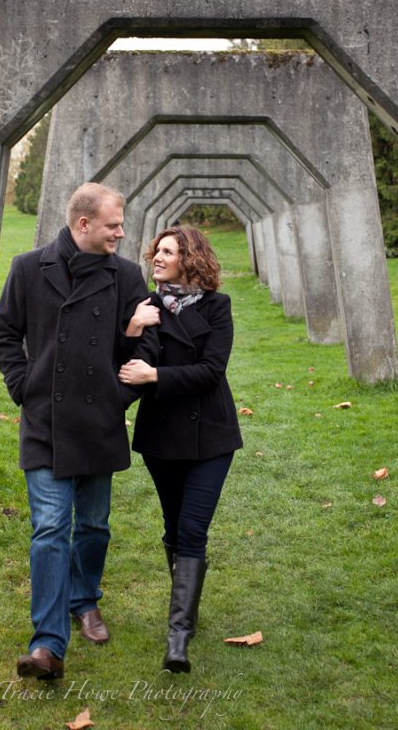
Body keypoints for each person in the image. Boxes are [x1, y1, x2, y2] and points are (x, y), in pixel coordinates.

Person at [0, 182, 158, 679]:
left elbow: (148, 347)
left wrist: (117, 395)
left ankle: (85, 600)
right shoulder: (28, 269)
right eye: (113, 225)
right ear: (83, 224)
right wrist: (25, 387)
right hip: (44, 421)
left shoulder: (126, 276)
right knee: (48, 530)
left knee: (93, 525)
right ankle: (46, 644)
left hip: (99, 421)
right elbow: (4, 334)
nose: (121, 233)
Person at [118, 226, 243, 673]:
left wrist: (158, 377)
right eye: (157, 251)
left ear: (190, 260)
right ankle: (185, 609)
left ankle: (178, 638)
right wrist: (136, 327)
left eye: (168, 252)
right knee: (173, 527)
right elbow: (131, 362)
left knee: (193, 530)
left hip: (210, 436)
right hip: (162, 438)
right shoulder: (148, 307)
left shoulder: (217, 306)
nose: (157, 257)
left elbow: (211, 370)